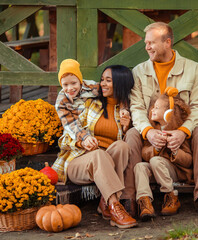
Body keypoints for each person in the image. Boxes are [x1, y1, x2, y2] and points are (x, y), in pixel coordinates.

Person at [122, 22, 198, 219]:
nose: (147, 47)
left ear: (167, 43)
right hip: (150, 135)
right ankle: (130, 198)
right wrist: (148, 131)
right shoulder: (139, 71)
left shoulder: (193, 69)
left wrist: (183, 132)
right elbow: (136, 107)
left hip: (181, 136)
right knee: (130, 134)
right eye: (146, 43)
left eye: (151, 43)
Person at [52, 64, 137, 229]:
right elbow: (66, 135)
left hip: (106, 165)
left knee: (122, 146)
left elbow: (125, 151)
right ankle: (114, 206)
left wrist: (127, 128)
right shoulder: (89, 103)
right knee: (99, 155)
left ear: (120, 83)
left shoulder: (126, 110)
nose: (102, 84)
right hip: (79, 161)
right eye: (102, 80)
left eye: (108, 80)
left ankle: (104, 202)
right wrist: (82, 140)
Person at [134, 87, 192, 221]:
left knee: (155, 161)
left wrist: (175, 150)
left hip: (173, 173)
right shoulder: (154, 131)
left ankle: (171, 195)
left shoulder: (177, 133)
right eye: (153, 107)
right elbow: (145, 152)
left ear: (168, 112)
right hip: (156, 172)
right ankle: (145, 201)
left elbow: (188, 160)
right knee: (140, 166)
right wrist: (154, 148)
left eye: (156, 107)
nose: (152, 110)